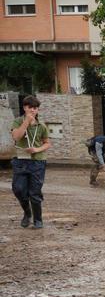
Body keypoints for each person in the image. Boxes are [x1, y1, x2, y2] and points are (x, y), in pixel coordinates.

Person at [10, 95, 51, 230]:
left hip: (37, 162)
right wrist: (26, 121)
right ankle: (27, 213)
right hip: (20, 161)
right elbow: (16, 136)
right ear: (24, 108)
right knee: (18, 189)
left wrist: (36, 149)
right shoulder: (17, 122)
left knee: (34, 192)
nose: (33, 110)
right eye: (30, 108)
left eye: (35, 108)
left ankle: (38, 220)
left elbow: (47, 144)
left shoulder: (42, 126)